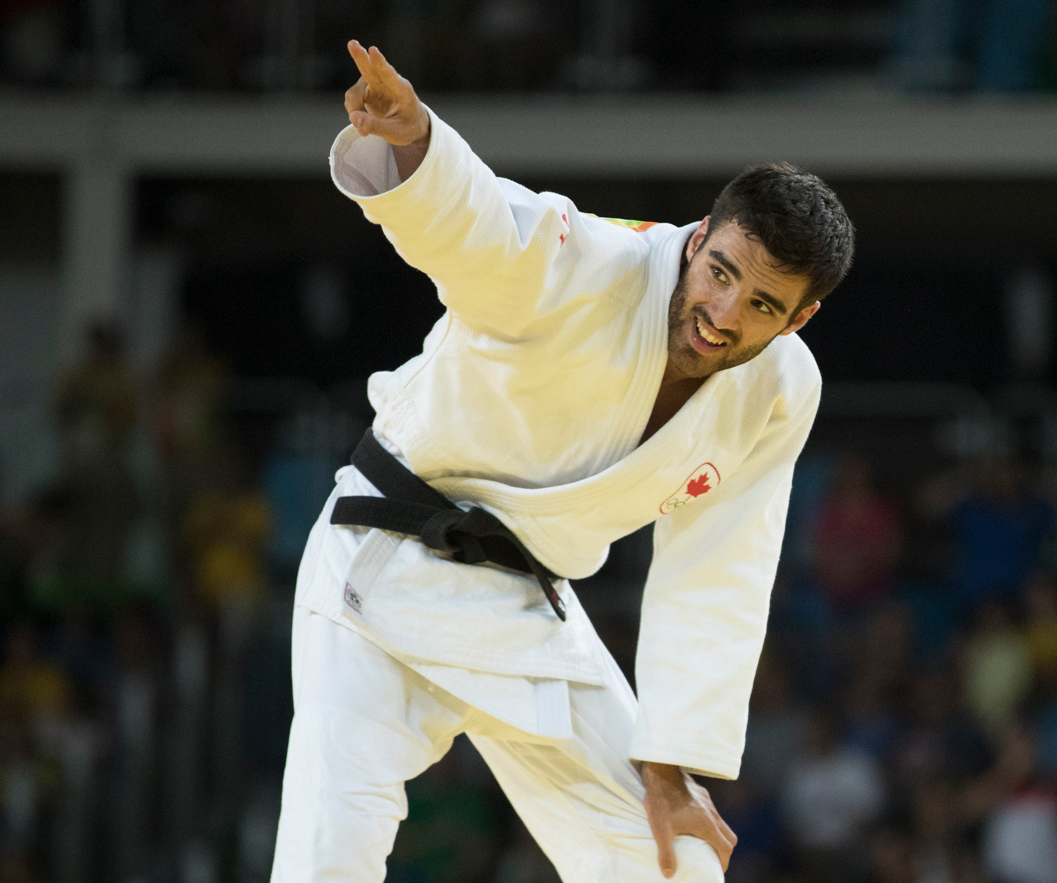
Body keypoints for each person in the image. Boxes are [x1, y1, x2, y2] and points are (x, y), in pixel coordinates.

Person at [270, 41, 855, 883]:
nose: (724, 315)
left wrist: (669, 766)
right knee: (331, 858)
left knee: (677, 860)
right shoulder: (588, 262)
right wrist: (416, 142)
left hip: (521, 602)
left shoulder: (781, 389)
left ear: (798, 320)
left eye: (763, 304)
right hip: (380, 564)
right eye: (720, 272)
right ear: (696, 242)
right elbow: (483, 231)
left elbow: (720, 569)